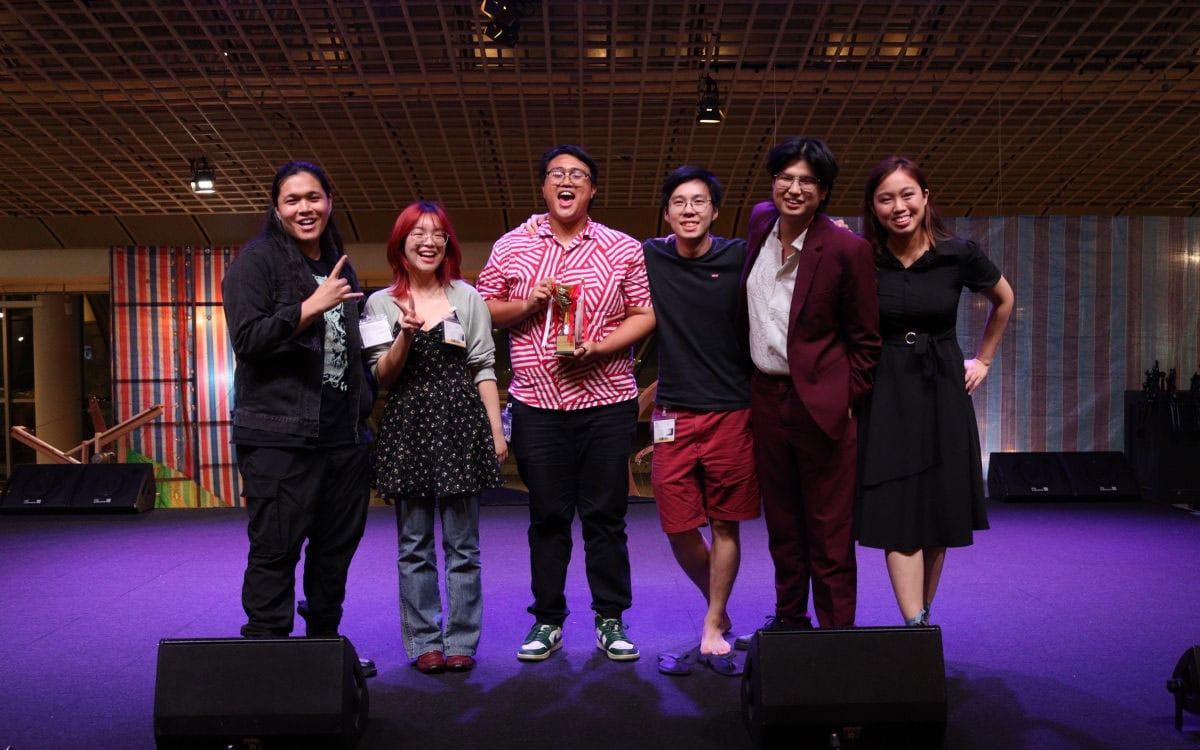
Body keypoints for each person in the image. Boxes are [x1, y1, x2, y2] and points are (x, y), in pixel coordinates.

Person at [476, 144, 654, 662]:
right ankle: (548, 620)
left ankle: (610, 618)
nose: (567, 181)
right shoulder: (512, 245)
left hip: (607, 401)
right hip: (538, 406)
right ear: (544, 186)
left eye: (578, 174)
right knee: (548, 517)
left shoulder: (622, 247)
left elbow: (644, 313)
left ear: (592, 189)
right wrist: (529, 301)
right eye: (557, 173)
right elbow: (483, 307)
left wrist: (601, 347)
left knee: (606, 517)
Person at [221, 161, 375, 673]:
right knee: (276, 550)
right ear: (277, 208)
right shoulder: (256, 263)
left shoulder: (337, 264)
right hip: (279, 437)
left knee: (334, 554)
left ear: (329, 201)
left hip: (343, 439)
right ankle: (267, 663)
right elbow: (248, 340)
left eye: (313, 197)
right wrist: (310, 307)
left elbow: (347, 351)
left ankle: (322, 654)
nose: (305, 208)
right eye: (292, 200)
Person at [855, 156, 1014, 626]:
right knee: (897, 509)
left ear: (925, 197)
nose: (898, 207)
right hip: (885, 388)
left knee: (937, 513)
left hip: (942, 384)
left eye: (907, 195)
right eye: (886, 199)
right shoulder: (863, 258)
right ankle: (914, 625)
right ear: (873, 207)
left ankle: (920, 621)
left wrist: (984, 359)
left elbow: (1004, 299)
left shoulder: (957, 253)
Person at [740, 137, 881, 631]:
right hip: (766, 396)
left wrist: (847, 398)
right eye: (786, 177)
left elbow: (867, 339)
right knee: (782, 522)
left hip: (821, 403)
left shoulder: (848, 250)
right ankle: (790, 619)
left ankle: (837, 633)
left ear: (823, 192)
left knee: (828, 528)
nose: (794, 189)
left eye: (807, 181)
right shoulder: (760, 224)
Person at [363, 201, 505, 674]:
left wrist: (496, 431)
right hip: (408, 427)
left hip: (461, 425)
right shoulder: (379, 304)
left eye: (437, 233)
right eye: (418, 233)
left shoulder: (468, 297)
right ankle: (424, 640)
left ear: (447, 243)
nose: (428, 242)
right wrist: (404, 335)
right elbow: (382, 376)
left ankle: (461, 639)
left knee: (464, 545)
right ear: (400, 244)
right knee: (414, 544)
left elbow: (483, 367)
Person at [642, 167, 758, 667]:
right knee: (678, 526)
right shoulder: (651, 255)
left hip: (731, 410)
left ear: (714, 211)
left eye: (699, 201)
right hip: (672, 412)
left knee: (726, 524)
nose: (689, 210)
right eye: (679, 202)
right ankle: (719, 608)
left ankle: (713, 620)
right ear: (667, 213)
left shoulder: (740, 255)